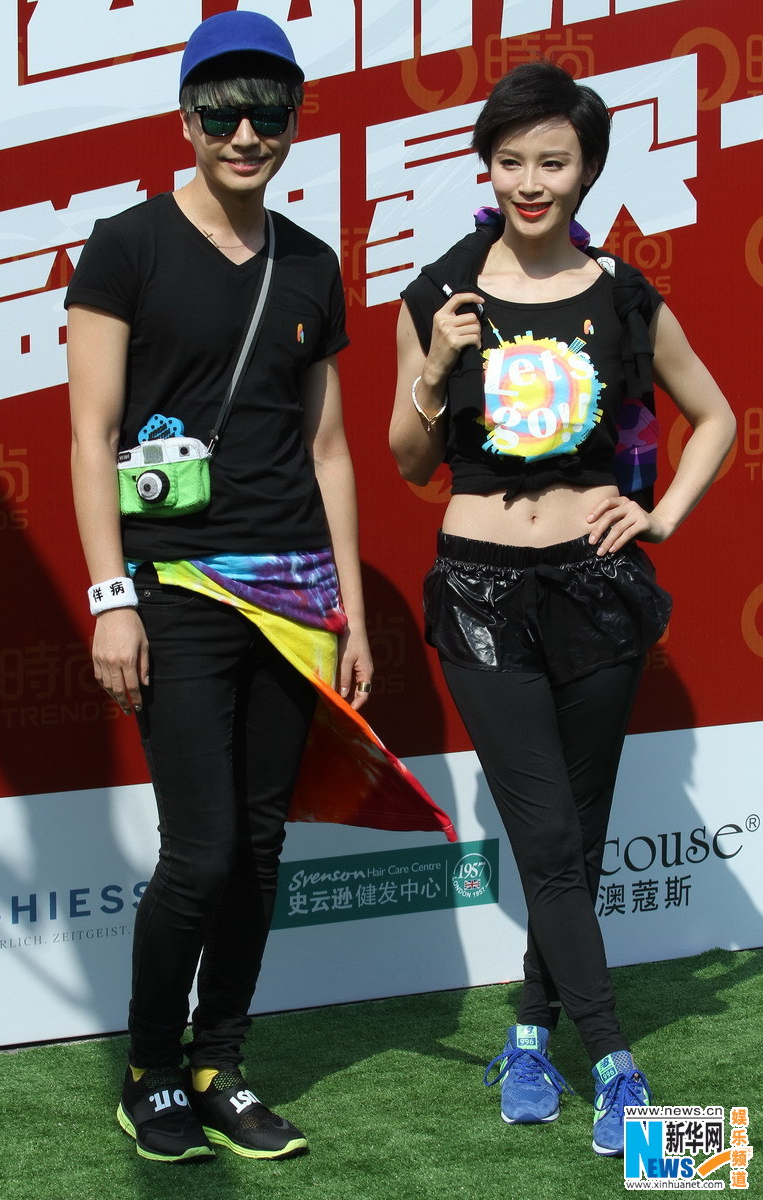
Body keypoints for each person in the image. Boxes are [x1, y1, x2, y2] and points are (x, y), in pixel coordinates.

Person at [390, 60, 735, 1157]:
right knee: (545, 832)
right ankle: (618, 1063)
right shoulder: (439, 294)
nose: (530, 182)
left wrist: (660, 514)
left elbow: (716, 415)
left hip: (595, 589)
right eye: (510, 162)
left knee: (576, 838)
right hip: (480, 592)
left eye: (553, 161)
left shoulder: (622, 294)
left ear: (586, 171)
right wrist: (435, 367)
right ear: (485, 169)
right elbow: (408, 462)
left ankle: (531, 1035)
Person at [66, 10, 374, 1164]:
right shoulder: (126, 246)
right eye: (222, 112)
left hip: (292, 592)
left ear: (294, 119)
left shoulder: (310, 263)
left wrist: (346, 610)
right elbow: (90, 438)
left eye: (268, 112)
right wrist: (112, 598)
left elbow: (328, 450)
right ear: (185, 120)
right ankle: (150, 1069)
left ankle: (219, 1063)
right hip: (179, 588)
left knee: (256, 846)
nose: (246, 134)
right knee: (198, 852)